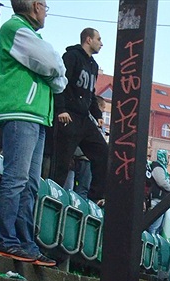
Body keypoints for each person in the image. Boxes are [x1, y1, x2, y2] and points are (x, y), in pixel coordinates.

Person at [0, 0, 67, 265]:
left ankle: (25, 242)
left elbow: (56, 74)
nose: (46, 12)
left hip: (36, 116)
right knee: (16, 178)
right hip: (20, 112)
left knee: (30, 183)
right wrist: (54, 73)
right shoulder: (16, 28)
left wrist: (55, 73)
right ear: (36, 5)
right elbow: (53, 65)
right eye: (46, 7)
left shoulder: (27, 34)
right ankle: (7, 239)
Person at [51, 27, 107, 202]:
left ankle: (95, 197)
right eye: (99, 39)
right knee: (62, 159)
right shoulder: (71, 57)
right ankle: (53, 193)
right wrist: (61, 109)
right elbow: (61, 83)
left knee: (103, 153)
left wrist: (97, 114)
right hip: (68, 115)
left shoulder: (93, 66)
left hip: (84, 118)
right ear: (88, 40)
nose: (101, 43)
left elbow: (91, 94)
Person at [145, 148, 170, 235]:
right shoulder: (157, 166)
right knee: (153, 226)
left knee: (157, 226)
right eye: (168, 157)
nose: (169, 159)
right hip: (156, 200)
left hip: (160, 200)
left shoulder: (163, 168)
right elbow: (161, 182)